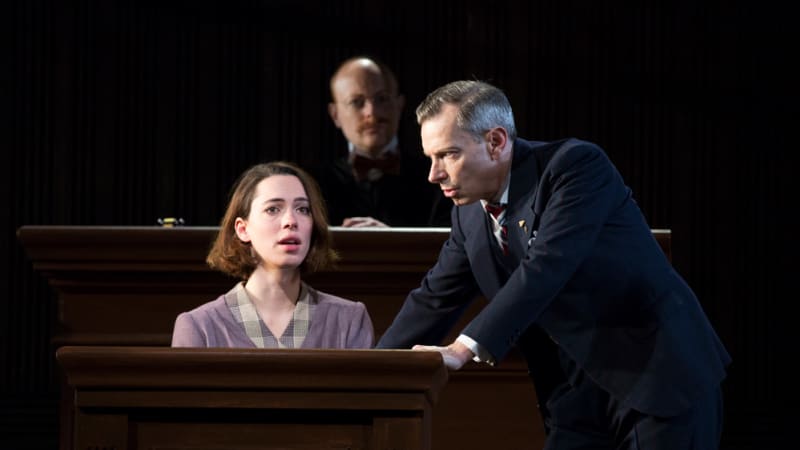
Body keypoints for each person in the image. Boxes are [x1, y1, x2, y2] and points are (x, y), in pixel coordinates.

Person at [376, 80, 731, 449]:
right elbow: (433, 299)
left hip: (658, 380)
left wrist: (461, 349)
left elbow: (545, 268)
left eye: (448, 154)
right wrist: (370, 372)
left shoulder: (574, 168)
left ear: (496, 142)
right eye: (430, 158)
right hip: (574, 400)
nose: (434, 174)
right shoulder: (467, 216)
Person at [172, 161, 374, 349]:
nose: (290, 221)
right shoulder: (200, 327)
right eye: (273, 209)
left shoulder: (349, 319)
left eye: (302, 209)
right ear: (243, 229)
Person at [321, 55, 451, 227]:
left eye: (381, 99)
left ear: (399, 104)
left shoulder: (440, 178)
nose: (371, 112)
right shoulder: (315, 185)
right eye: (356, 102)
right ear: (335, 114)